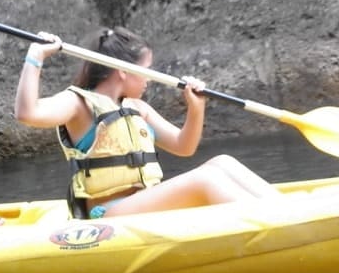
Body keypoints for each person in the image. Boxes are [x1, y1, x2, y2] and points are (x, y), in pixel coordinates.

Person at [14, 27, 281, 219]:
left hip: (143, 204)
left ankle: (290, 214)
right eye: (147, 70)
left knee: (223, 163)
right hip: (106, 214)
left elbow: (184, 146)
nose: (150, 78)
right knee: (205, 180)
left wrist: (196, 108)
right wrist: (36, 56)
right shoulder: (78, 104)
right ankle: (277, 226)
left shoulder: (137, 108)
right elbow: (27, 113)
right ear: (123, 71)